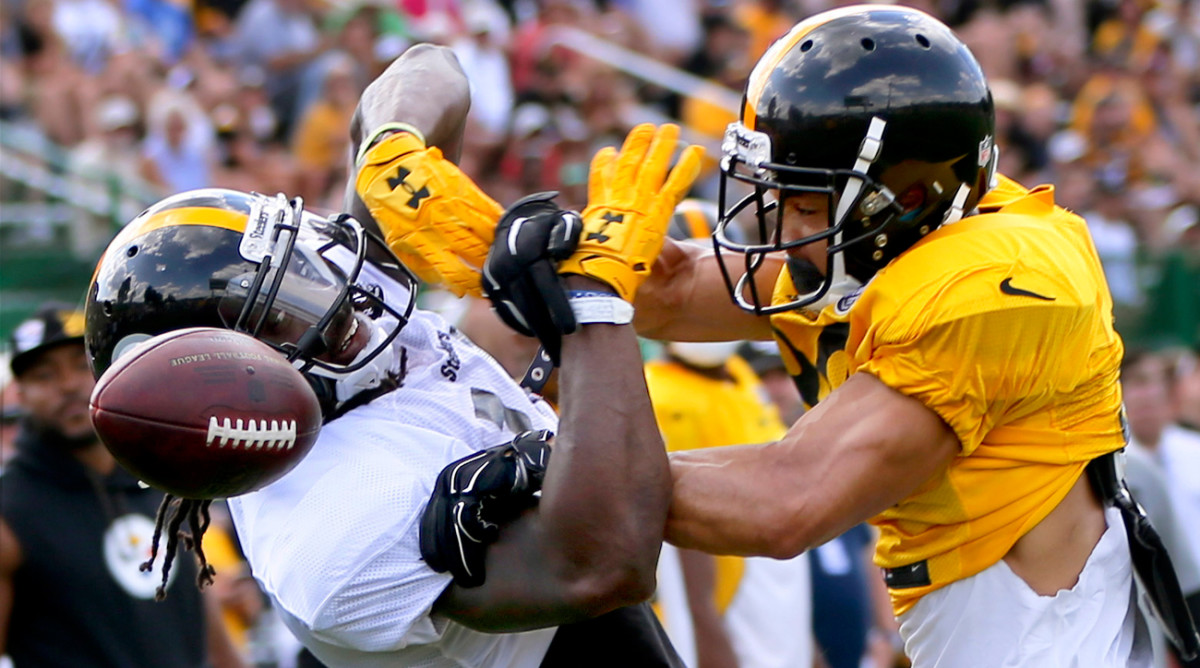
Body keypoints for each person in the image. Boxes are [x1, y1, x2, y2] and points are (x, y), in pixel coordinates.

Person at [470, 5, 1197, 666]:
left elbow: (786, 502)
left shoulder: (987, 288)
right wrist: (510, 249)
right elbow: (673, 286)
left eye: (806, 204)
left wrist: (554, 474)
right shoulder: (906, 236)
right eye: (777, 197)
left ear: (905, 199)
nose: (782, 230)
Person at [82, 44, 701, 667]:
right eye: (280, 312)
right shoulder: (329, 529)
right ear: (218, 384)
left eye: (300, 269)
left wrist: (392, 151)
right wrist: (596, 300)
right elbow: (604, 567)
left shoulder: (339, 321)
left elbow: (430, 68)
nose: (338, 297)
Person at [0, 302, 245, 668]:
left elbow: (212, 637)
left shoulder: (162, 482)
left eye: (81, 364)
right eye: (44, 375)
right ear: (20, 393)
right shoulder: (9, 511)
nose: (67, 385)